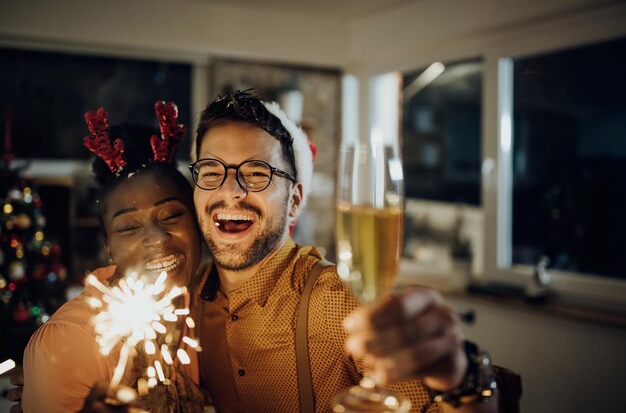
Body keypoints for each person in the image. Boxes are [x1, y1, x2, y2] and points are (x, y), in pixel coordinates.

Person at [188, 90, 520, 413]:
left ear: (295, 201)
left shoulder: (339, 301)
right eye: (212, 172)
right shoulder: (186, 305)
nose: (230, 191)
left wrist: (459, 378)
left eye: (256, 173)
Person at [20, 102, 206, 413]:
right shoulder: (70, 341)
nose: (156, 238)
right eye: (129, 227)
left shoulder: (209, 308)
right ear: (108, 244)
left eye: (171, 215)